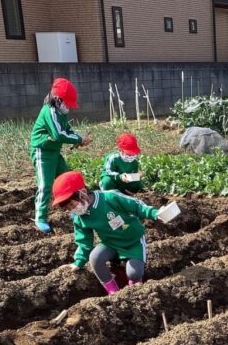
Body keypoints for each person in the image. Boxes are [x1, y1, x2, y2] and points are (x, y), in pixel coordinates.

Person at [52, 171, 168, 295]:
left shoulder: (109, 197)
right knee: (95, 258)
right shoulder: (80, 218)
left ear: (82, 193)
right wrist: (78, 261)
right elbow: (84, 241)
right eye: (68, 208)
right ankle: (113, 292)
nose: (72, 209)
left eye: (71, 204)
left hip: (133, 241)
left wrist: (155, 213)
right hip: (110, 243)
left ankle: (135, 291)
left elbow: (136, 206)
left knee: (134, 274)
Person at [30, 78, 91, 234]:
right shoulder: (49, 111)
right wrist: (79, 139)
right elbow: (58, 134)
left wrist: (79, 138)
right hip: (42, 151)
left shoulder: (60, 112)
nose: (68, 106)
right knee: (45, 185)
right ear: (57, 98)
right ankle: (40, 218)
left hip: (54, 151)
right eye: (67, 102)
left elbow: (67, 130)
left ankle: (72, 208)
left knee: (65, 178)